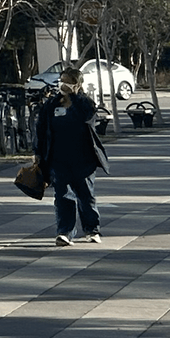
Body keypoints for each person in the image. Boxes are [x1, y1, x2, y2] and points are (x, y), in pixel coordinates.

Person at [34, 64, 108, 245]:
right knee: (63, 195)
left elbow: (88, 117)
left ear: (78, 85)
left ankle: (92, 229)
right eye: (62, 82)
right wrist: (37, 152)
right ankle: (65, 232)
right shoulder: (51, 104)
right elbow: (41, 129)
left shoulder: (85, 103)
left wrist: (74, 96)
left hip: (83, 158)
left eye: (69, 82)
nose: (64, 85)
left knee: (85, 195)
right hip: (58, 158)